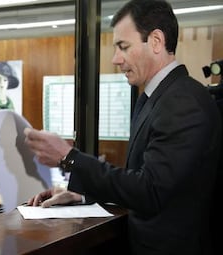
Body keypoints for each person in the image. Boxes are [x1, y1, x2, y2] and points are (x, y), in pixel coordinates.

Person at [24, 0, 221, 254]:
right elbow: (141, 179)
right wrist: (83, 194)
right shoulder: (155, 98)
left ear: (156, 41)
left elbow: (150, 192)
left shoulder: (183, 102)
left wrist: (69, 157)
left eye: (123, 47)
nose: (115, 59)